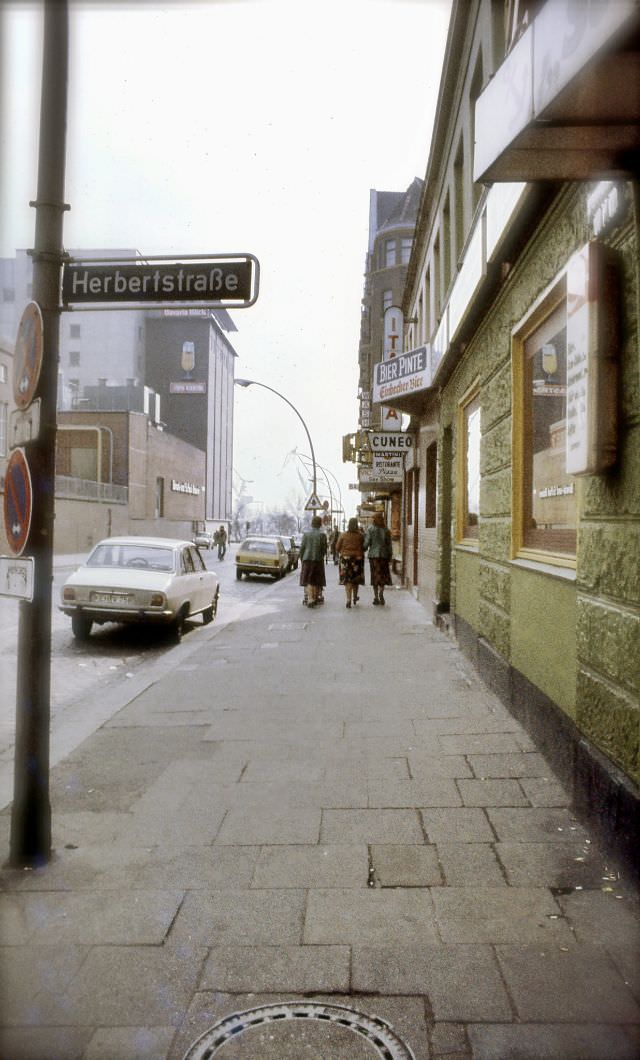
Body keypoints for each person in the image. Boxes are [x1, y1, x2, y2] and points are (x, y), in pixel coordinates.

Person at [363, 512, 393, 606]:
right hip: (384, 556)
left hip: (374, 556)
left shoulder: (370, 529)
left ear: (375, 519)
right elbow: (389, 545)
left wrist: (363, 548)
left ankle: (376, 597)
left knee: (375, 576)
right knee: (383, 576)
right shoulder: (386, 530)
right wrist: (390, 555)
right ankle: (381, 592)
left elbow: (367, 543)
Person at [299, 516, 327, 608]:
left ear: (312, 523)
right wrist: (321, 555)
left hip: (307, 559)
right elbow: (324, 549)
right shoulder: (322, 535)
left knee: (308, 580)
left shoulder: (306, 534)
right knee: (315, 580)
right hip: (318, 559)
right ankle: (314, 598)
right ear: (320, 524)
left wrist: (302, 557)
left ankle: (310, 598)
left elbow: (302, 547)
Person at [336, 517, 364, 608]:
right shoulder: (360, 536)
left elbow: (337, 547)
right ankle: (355, 597)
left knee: (347, 580)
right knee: (355, 579)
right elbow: (364, 547)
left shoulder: (343, 535)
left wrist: (343, 552)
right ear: (356, 525)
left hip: (345, 559)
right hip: (357, 559)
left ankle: (348, 599)